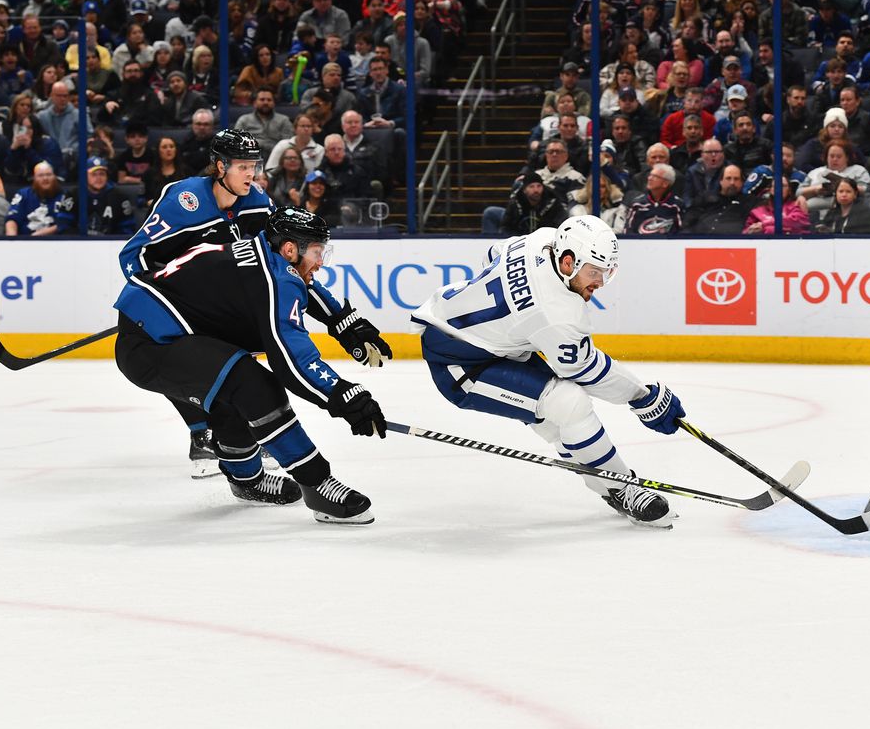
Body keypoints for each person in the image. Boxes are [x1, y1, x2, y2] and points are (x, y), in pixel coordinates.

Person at [119, 129, 392, 479]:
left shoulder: (259, 202)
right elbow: (133, 256)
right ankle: (202, 431)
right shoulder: (183, 199)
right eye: (243, 166)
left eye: (255, 165)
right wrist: (165, 302)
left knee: (238, 361)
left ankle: (239, 439)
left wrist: (342, 319)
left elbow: (287, 265)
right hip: (176, 302)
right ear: (219, 166)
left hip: (222, 296)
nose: (252, 174)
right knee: (187, 358)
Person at [409, 214, 686, 528]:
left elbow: (494, 253)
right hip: (460, 365)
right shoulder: (557, 314)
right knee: (569, 403)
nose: (599, 282)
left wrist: (512, 320)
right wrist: (642, 396)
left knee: (558, 418)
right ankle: (622, 487)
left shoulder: (541, 239)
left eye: (606, 273)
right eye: (594, 272)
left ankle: (605, 481)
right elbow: (586, 370)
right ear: (567, 262)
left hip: (484, 341)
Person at [113, 207, 383, 524]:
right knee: (254, 387)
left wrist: (345, 324)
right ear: (290, 248)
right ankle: (317, 483)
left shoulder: (268, 256)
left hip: (157, 332)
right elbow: (292, 361)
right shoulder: (276, 279)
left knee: (230, 394)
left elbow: (306, 287)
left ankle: (246, 480)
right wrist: (344, 395)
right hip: (152, 345)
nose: (320, 262)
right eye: (316, 251)